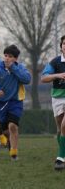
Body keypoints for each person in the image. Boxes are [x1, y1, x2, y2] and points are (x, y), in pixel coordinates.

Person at [0, 45, 31, 161]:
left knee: (13, 126)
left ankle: (14, 153)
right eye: (5, 56)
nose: (6, 58)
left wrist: (13, 69)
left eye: (10, 56)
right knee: (6, 130)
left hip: (15, 102)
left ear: (15, 59)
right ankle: (8, 142)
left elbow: (27, 79)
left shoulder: (20, 68)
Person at [41, 35, 65, 170]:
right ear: (61, 46)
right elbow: (43, 78)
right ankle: (63, 152)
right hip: (57, 98)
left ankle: (60, 158)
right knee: (59, 129)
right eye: (64, 43)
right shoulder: (55, 62)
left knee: (64, 126)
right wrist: (58, 75)